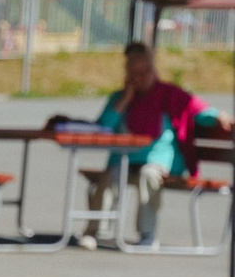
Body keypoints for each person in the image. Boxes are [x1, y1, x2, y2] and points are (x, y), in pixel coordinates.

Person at [78, 41, 212, 250]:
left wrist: (220, 117)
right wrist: (125, 99)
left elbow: (199, 111)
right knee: (109, 177)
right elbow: (103, 127)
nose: (140, 78)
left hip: (157, 163)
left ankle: (147, 235)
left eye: (144, 71)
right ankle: (94, 231)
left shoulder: (169, 95)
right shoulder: (119, 98)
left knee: (148, 176)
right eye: (134, 72)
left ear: (153, 68)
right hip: (123, 160)